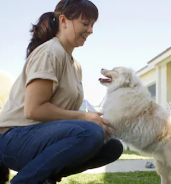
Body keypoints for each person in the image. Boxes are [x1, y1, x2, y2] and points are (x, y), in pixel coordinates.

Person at [0, 0, 123, 183]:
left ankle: (45, 177)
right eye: (85, 23)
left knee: (112, 147)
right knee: (90, 132)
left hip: (39, 137)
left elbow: (65, 116)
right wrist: (85, 118)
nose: (90, 30)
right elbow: (34, 110)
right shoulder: (51, 52)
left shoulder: (75, 66)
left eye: (92, 25)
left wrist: (95, 119)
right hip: (13, 139)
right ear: (64, 21)